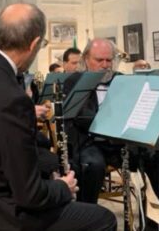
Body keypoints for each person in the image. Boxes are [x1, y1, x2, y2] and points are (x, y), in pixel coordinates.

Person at [0, 3, 115, 230]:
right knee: (103, 219)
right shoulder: (12, 99)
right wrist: (62, 187)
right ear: (33, 44)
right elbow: (29, 196)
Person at [63, 38, 123, 204]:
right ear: (86, 60)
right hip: (89, 141)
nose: (105, 65)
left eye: (109, 60)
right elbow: (82, 118)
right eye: (99, 60)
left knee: (156, 156)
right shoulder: (74, 81)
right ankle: (89, 214)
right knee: (92, 164)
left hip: (120, 142)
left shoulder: (121, 80)